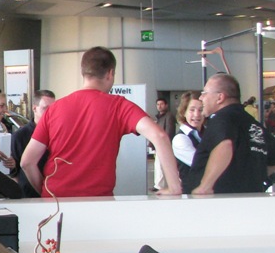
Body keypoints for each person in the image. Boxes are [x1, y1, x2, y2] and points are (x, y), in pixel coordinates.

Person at [20, 47, 181, 198]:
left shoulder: (55, 109)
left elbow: (27, 162)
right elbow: (159, 136)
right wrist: (174, 187)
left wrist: (46, 192)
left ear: (83, 73)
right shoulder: (118, 106)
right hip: (97, 201)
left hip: (55, 201)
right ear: (110, 73)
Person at [186, 74, 275, 195]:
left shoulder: (222, 119)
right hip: (250, 198)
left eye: (205, 93)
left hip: (217, 200)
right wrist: (252, 179)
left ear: (220, 97)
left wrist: (205, 186)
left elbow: (225, 145)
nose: (201, 98)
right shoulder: (251, 123)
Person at [10, 90, 55, 198]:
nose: (50, 112)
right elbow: (14, 170)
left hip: (53, 189)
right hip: (29, 193)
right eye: (45, 108)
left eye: (53, 109)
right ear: (34, 108)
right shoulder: (20, 135)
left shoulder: (57, 132)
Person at [172, 91, 204, 188]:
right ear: (184, 112)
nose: (197, 114)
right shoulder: (180, 139)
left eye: (201, 110)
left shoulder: (208, 132)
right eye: (192, 110)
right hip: (191, 193)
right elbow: (201, 164)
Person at [152, 97, 178, 191]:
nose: (159, 106)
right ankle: (159, 185)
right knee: (159, 165)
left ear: (166, 105)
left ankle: (159, 186)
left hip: (164, 144)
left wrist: (165, 144)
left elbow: (169, 131)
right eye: (158, 104)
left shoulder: (169, 116)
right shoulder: (159, 117)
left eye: (161, 104)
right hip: (159, 144)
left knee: (160, 165)